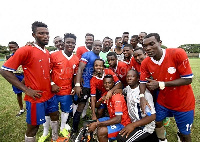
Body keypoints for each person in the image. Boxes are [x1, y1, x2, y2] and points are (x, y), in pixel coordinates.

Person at [0, 21, 66, 142]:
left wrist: (51, 84)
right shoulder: (26, 50)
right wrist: (26, 90)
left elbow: (41, 72)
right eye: (41, 33)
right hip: (36, 97)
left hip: (50, 95)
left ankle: (56, 138)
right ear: (33, 35)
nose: (45, 36)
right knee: (33, 127)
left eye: (47, 33)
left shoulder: (47, 52)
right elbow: (4, 71)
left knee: (55, 115)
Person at [139, 33, 195, 142]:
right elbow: (142, 81)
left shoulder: (177, 53)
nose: (148, 48)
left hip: (183, 102)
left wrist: (161, 84)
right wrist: (142, 97)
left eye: (152, 44)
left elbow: (188, 79)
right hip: (163, 101)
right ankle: (162, 139)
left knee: (185, 133)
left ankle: (180, 134)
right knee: (157, 121)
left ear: (160, 43)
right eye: (145, 46)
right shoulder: (146, 62)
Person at [38, 33, 79, 142]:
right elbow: (46, 72)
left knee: (65, 111)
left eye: (73, 43)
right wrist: (52, 84)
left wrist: (75, 86)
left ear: (75, 44)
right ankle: (45, 132)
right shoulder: (54, 55)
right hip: (52, 91)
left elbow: (75, 75)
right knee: (49, 112)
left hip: (66, 91)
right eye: (68, 42)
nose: (70, 44)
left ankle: (62, 128)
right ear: (63, 43)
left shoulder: (76, 59)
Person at [71, 40, 102, 137]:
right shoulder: (87, 55)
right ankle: (74, 129)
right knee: (80, 106)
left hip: (93, 85)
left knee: (96, 104)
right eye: (96, 45)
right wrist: (77, 85)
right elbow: (80, 69)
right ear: (92, 46)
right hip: (85, 86)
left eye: (99, 46)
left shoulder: (98, 57)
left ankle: (95, 125)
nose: (97, 47)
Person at [117, 69, 158, 142]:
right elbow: (123, 91)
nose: (129, 78)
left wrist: (133, 125)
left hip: (145, 127)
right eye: (127, 76)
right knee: (120, 136)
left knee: (123, 139)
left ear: (138, 79)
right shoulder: (128, 88)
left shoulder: (144, 94)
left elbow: (152, 116)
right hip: (134, 123)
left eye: (132, 76)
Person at [88, 74, 131, 142]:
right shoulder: (106, 94)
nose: (107, 85)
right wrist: (102, 99)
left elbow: (118, 119)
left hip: (123, 124)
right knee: (94, 122)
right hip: (112, 118)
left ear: (113, 83)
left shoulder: (117, 96)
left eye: (109, 83)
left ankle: (103, 137)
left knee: (101, 131)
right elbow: (96, 105)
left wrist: (97, 124)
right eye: (105, 83)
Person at [6, 41, 25, 117]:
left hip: (25, 76)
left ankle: (30, 107)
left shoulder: (23, 55)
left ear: (18, 46)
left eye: (13, 47)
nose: (12, 49)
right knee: (18, 93)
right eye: (10, 47)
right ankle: (21, 109)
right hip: (16, 76)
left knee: (29, 91)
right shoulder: (9, 57)